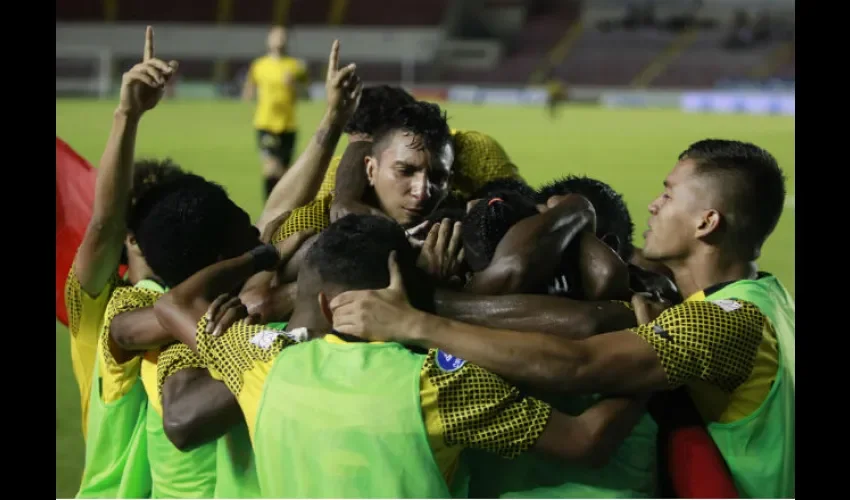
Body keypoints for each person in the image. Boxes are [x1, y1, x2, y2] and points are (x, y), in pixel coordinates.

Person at [329, 139, 795, 498]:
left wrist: (415, 322)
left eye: (669, 195)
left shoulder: (725, 320)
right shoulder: (772, 300)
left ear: (706, 223)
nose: (653, 204)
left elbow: (578, 363)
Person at [153, 215, 649, 498]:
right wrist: (649, 355)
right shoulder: (438, 383)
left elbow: (172, 305)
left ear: (320, 300)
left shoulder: (256, 362)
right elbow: (586, 441)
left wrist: (261, 267)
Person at [74, 26, 179, 498]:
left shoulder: (193, 289)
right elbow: (102, 227)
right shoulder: (96, 303)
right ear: (131, 237)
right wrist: (127, 116)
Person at [269, 99, 455, 244]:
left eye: (438, 178)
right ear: (371, 169)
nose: (421, 192)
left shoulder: (460, 224)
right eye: (404, 171)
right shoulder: (310, 227)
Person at [242, 26, 309, 200]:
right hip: (265, 124)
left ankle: (281, 209)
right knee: (271, 168)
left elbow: (306, 94)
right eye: (275, 36)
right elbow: (248, 92)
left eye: (282, 36)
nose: (279, 39)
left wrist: (294, 84)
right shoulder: (259, 65)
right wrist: (253, 110)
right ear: (268, 40)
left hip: (288, 124)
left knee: (285, 173)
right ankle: (268, 208)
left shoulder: (295, 66)